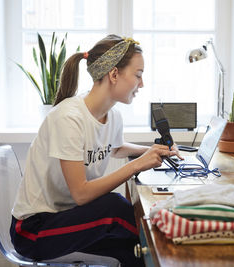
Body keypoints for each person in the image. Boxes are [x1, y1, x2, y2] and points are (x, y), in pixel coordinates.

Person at [10, 34, 181, 266]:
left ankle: (166, 244)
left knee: (134, 250)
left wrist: (155, 151)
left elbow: (117, 148)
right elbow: (81, 194)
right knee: (115, 207)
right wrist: (138, 164)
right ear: (113, 74)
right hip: (34, 230)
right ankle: (173, 243)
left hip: (68, 218)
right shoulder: (69, 118)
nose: (142, 84)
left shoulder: (113, 116)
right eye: (138, 75)